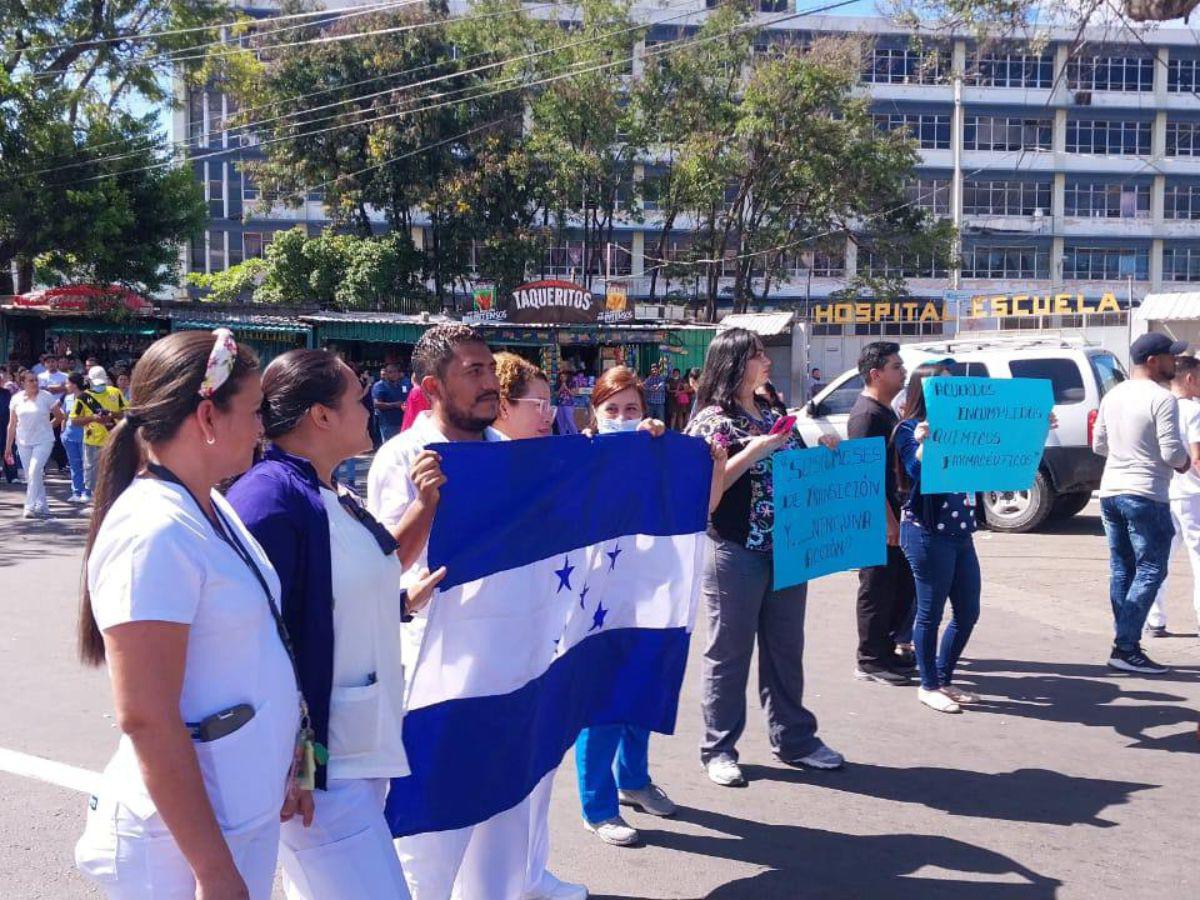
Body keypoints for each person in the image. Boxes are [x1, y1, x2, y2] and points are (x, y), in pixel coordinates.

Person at [74, 329, 302, 899]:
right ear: (206, 416)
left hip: (232, 815)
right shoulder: (152, 530)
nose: (260, 428)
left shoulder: (209, 504)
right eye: (253, 412)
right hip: (179, 846)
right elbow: (146, 717)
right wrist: (215, 871)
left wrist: (290, 757)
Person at [226, 349, 445, 899]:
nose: (370, 406)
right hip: (319, 767)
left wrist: (395, 596)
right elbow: (253, 640)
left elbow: (361, 573)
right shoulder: (269, 498)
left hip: (356, 748)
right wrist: (293, 764)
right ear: (320, 416)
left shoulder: (328, 490)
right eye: (357, 398)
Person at [368, 325, 551, 900]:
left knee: (502, 826)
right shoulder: (402, 459)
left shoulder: (509, 455)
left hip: (513, 666)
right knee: (431, 835)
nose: (487, 382)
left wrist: (638, 448)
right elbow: (387, 569)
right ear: (431, 385)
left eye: (487, 368)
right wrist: (430, 504)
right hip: (440, 670)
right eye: (471, 371)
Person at [685, 328, 842, 788]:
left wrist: (827, 454)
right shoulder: (712, 421)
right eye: (756, 354)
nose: (766, 360)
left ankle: (795, 738)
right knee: (729, 653)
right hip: (736, 549)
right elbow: (702, 495)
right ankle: (718, 747)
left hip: (789, 548)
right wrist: (751, 452)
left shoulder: (775, 412)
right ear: (734, 362)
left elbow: (802, 469)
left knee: (785, 648)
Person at [574, 366, 695, 849]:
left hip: (648, 593)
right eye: (612, 410)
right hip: (597, 602)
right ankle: (596, 806)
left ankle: (634, 780)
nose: (622, 418)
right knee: (601, 704)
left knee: (642, 690)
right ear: (594, 414)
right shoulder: (582, 455)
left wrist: (663, 444)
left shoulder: (655, 452)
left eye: (632, 410)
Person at [490, 351, 587, 898]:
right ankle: (506, 880)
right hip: (506, 639)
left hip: (549, 631)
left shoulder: (549, 458)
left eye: (552, 402)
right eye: (537, 403)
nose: (549, 413)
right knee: (508, 772)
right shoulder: (484, 465)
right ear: (502, 405)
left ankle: (530, 873)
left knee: (541, 764)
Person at [1093, 332, 1191, 675]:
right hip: (1146, 493)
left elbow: (1099, 445)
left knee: (1123, 568)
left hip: (1111, 492)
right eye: (1170, 357)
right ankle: (1125, 647)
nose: (1174, 363)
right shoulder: (1162, 399)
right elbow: (1172, 451)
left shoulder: (1113, 394)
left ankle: (1125, 643)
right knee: (1151, 568)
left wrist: (1127, 453)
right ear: (1152, 361)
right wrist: (1183, 464)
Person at [893, 363, 984, 715]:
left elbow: (994, 455)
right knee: (930, 612)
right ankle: (928, 684)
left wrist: (1033, 429)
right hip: (927, 532)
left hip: (961, 532)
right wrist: (921, 445)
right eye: (941, 387)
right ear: (924, 391)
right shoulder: (908, 428)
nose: (950, 394)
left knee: (968, 611)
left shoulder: (962, 426)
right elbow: (915, 473)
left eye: (952, 387)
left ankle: (944, 678)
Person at [848, 342, 915, 685]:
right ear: (876, 374)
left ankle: (886, 651)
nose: (903, 371)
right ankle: (870, 659)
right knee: (876, 587)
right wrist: (888, 520)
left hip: (893, 515)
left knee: (894, 586)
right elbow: (864, 475)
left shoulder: (886, 410)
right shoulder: (867, 415)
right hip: (877, 519)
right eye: (896, 366)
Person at [1146, 355, 1200, 637]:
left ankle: (1155, 619)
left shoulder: (1161, 406)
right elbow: (1197, 458)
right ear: (1190, 379)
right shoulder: (1194, 412)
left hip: (1165, 492)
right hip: (1193, 494)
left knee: (1162, 558)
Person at [4, 370, 64, 518]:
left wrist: (47, 427)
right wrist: (8, 447)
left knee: (33, 471)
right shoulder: (16, 399)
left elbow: (60, 416)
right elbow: (12, 424)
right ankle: (43, 506)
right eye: (31, 381)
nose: (35, 383)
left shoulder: (46, 397)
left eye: (36, 380)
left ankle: (29, 506)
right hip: (23, 441)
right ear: (22, 383)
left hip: (44, 440)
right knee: (32, 475)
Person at [71, 365, 128, 498]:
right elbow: (74, 421)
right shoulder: (83, 398)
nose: (100, 386)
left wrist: (112, 415)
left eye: (102, 383)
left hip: (113, 439)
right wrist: (92, 418)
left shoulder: (115, 392)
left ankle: (109, 499)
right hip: (92, 442)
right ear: (89, 381)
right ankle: (97, 498)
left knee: (113, 473)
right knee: (92, 476)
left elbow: (126, 412)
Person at [494, 353, 556, 441]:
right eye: (539, 405)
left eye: (549, 406)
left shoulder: (548, 451)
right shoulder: (475, 452)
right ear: (503, 408)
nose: (548, 418)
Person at [62, 372, 89, 503]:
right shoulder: (67, 398)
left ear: (74, 384)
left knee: (86, 465)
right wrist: (63, 432)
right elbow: (64, 416)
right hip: (69, 436)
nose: (66, 385)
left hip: (85, 436)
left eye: (67, 383)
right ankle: (76, 491)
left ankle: (86, 492)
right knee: (74, 465)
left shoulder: (88, 397)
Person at [372, 362, 409, 444]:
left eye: (395, 372)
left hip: (403, 422)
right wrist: (395, 404)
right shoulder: (379, 386)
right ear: (386, 374)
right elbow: (377, 404)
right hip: (388, 424)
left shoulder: (402, 385)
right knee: (390, 448)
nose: (393, 374)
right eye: (390, 372)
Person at [554, 372, 578, 436]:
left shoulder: (571, 383)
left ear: (567, 377)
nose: (562, 378)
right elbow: (555, 395)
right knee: (561, 422)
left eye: (563, 377)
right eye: (561, 377)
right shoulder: (558, 384)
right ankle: (562, 436)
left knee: (569, 420)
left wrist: (566, 389)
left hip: (569, 405)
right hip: (559, 405)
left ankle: (575, 435)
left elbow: (573, 394)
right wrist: (561, 389)